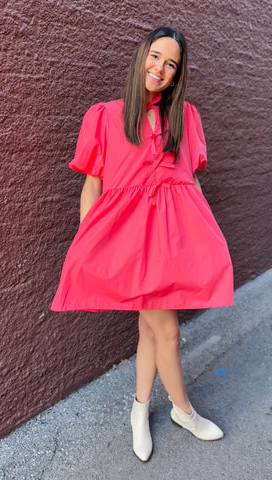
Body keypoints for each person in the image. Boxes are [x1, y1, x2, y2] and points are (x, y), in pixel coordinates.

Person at [51, 26, 233, 462]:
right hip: (129, 243)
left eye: (171, 64)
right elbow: (91, 187)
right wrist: (87, 245)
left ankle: (138, 410)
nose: (161, 68)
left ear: (177, 74)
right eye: (156, 57)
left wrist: (209, 238)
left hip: (172, 239)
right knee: (167, 332)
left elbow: (192, 183)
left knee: (151, 329)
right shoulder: (105, 115)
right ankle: (183, 412)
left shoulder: (186, 116)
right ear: (141, 57)